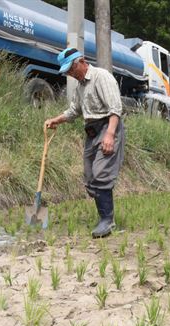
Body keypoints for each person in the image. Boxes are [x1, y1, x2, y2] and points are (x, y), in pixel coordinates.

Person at [45, 47, 124, 238]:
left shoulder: (101, 76)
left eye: (71, 69)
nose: (70, 74)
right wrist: (56, 119)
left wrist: (110, 135)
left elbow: (115, 108)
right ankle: (104, 213)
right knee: (90, 179)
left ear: (81, 61)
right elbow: (74, 111)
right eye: (67, 72)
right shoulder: (80, 86)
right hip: (91, 131)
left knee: (100, 174)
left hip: (108, 126)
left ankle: (107, 220)